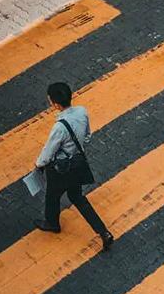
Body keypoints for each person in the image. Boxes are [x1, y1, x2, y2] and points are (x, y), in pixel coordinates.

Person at [35, 82, 114, 251]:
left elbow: (49, 151)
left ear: (55, 104)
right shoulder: (82, 112)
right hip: (77, 165)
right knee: (77, 197)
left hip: (61, 169)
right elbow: (87, 136)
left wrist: (39, 164)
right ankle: (103, 232)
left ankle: (52, 223)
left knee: (52, 196)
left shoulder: (59, 127)